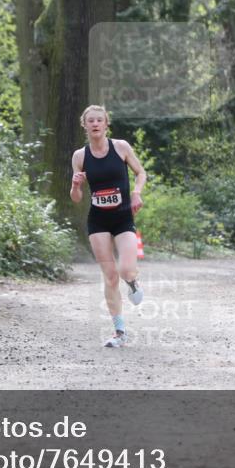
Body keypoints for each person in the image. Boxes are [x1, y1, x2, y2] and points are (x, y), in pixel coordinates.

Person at [70, 105, 147, 348]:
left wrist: (136, 193)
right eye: (90, 120)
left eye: (99, 120)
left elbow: (140, 172)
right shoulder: (79, 156)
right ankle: (119, 331)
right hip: (98, 221)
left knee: (125, 270)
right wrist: (75, 186)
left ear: (106, 124)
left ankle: (133, 282)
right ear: (85, 125)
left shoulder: (121, 147)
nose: (95, 124)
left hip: (123, 217)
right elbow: (76, 198)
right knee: (110, 276)